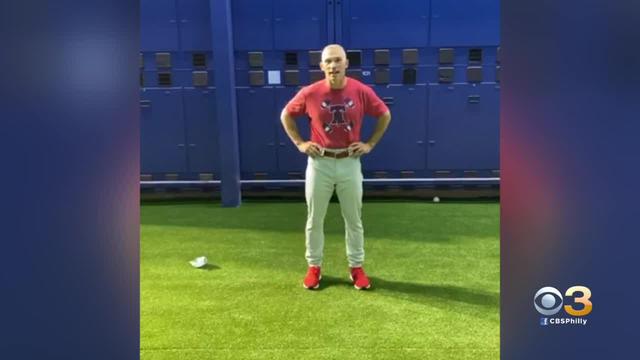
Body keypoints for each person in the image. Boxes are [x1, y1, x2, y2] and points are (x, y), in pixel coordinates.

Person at [280, 44, 391, 290]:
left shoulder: (360, 91)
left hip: (349, 162)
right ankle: (314, 267)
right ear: (321, 66)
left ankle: (356, 267)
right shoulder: (310, 92)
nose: (333, 65)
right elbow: (286, 114)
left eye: (337, 60)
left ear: (346, 63)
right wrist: (300, 143)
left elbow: (385, 114)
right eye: (328, 61)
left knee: (353, 219)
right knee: (314, 219)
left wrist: (370, 144)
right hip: (320, 163)